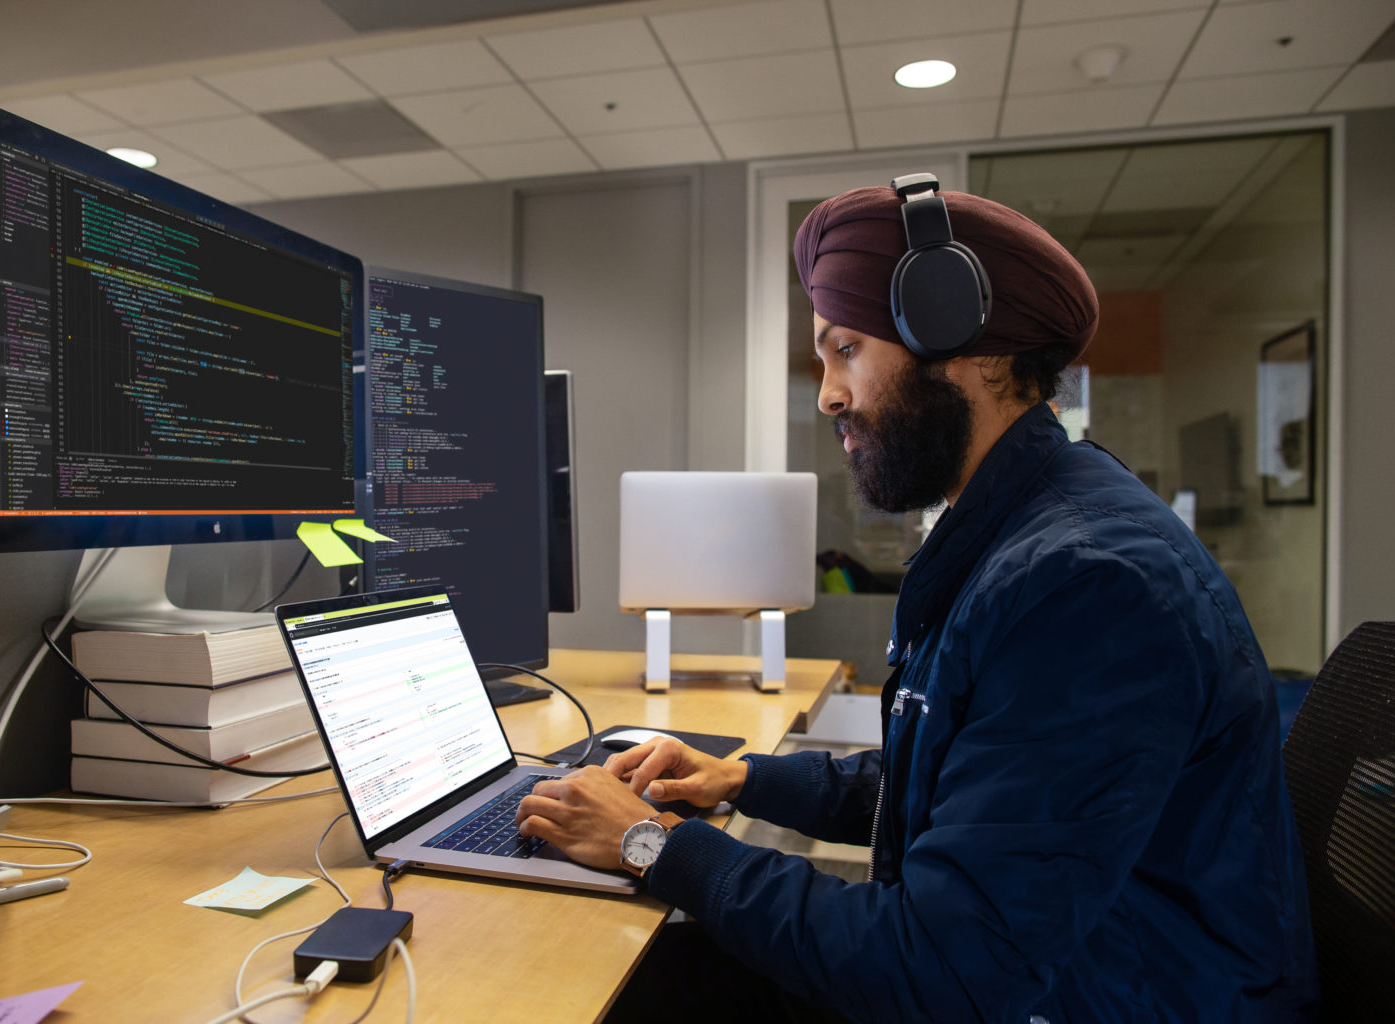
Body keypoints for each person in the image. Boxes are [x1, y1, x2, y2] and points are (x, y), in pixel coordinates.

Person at [515, 182, 1319, 1022]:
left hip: (1105, 1001)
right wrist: (741, 778)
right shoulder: (1021, 529)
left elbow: (940, 971)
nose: (827, 393)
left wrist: (655, 845)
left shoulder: (1087, 583)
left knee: (627, 990)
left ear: (964, 341)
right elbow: (962, 783)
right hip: (1061, 973)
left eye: (846, 349)